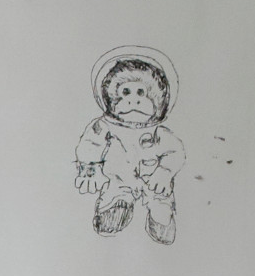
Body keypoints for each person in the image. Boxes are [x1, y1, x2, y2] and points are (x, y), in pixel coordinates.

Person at [75, 49, 185, 244]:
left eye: (141, 92)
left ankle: (160, 218)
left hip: (154, 179)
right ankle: (116, 209)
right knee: (114, 194)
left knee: (160, 199)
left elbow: (175, 152)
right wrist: (89, 169)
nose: (133, 100)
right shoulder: (105, 125)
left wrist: (165, 172)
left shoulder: (158, 132)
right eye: (126, 92)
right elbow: (91, 143)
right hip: (118, 176)